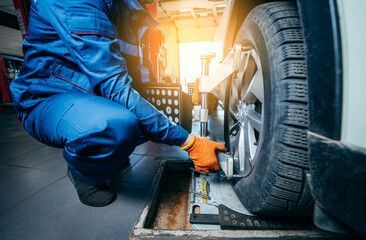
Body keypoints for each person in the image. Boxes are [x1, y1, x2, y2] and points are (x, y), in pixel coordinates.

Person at [10, 0, 227, 207]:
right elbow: (114, 87)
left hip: (91, 93)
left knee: (143, 119)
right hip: (47, 98)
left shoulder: (125, 9)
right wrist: (189, 142)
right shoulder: (75, 2)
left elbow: (129, 79)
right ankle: (83, 173)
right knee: (118, 125)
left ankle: (110, 151)